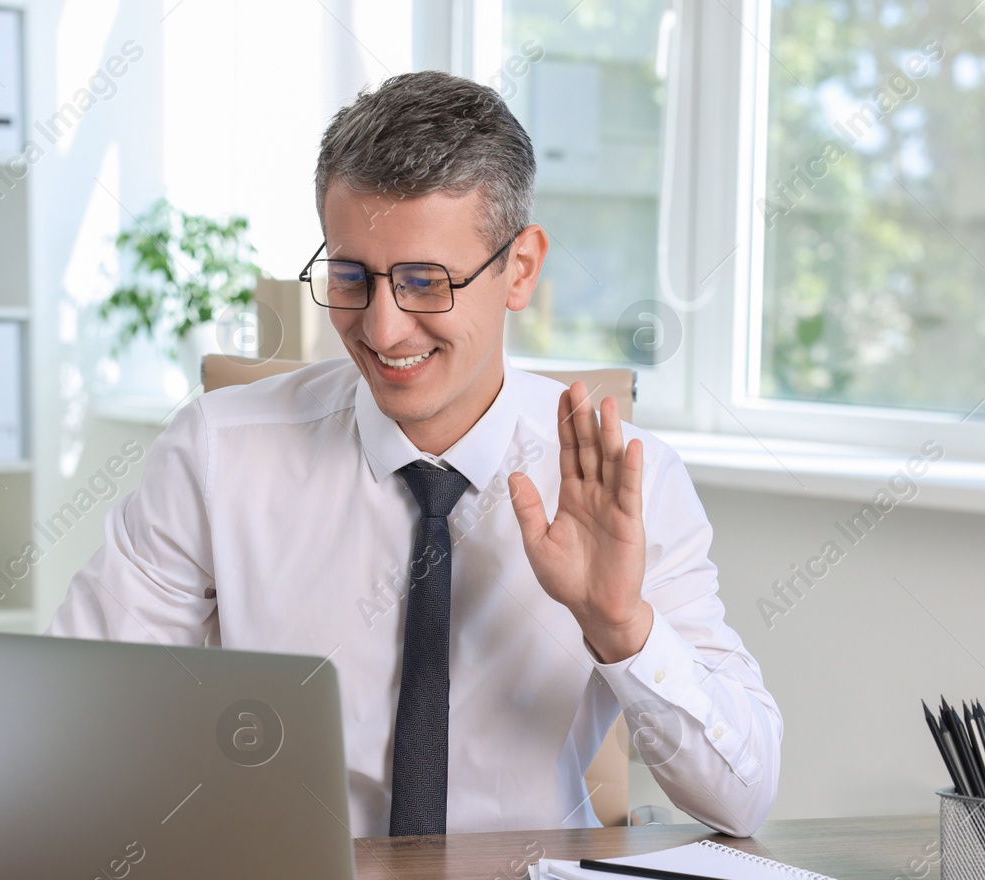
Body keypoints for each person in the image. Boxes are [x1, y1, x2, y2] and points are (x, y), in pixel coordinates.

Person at [51, 70, 781, 837]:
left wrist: (623, 625)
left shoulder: (631, 481)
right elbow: (77, 727)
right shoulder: (216, 454)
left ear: (520, 268)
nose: (383, 329)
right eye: (350, 276)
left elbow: (745, 793)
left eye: (426, 282)